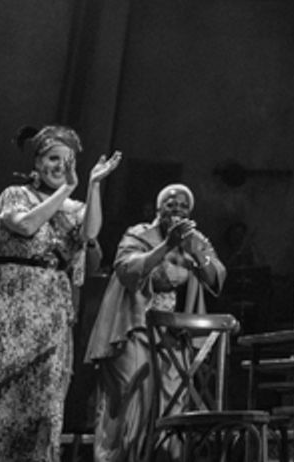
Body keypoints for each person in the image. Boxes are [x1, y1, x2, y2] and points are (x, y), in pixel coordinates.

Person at [0, 125, 121, 461]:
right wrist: (67, 189)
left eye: (68, 160)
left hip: (50, 307)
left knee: (40, 396)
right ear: (36, 162)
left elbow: (90, 233)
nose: (60, 166)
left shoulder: (75, 207)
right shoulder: (15, 195)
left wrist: (91, 185)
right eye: (52, 158)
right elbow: (26, 226)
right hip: (8, 302)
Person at [85, 182, 225, 462]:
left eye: (183, 206)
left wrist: (197, 251)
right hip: (134, 329)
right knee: (132, 398)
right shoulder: (138, 234)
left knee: (171, 404)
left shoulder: (196, 241)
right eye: (171, 204)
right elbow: (128, 270)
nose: (177, 209)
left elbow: (216, 277)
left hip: (172, 335)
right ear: (158, 208)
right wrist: (166, 245)